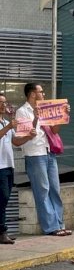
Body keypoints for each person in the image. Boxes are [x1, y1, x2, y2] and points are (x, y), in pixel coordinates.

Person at [13, 83, 71, 236]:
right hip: (35, 154)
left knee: (55, 189)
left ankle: (59, 223)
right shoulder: (22, 112)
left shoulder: (46, 109)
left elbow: (54, 131)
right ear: (32, 94)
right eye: (41, 92)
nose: (44, 94)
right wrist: (36, 118)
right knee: (43, 190)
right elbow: (25, 135)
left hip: (48, 152)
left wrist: (61, 115)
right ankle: (51, 227)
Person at [0, 94, 16, 244]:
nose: (3, 105)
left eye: (5, 102)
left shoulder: (5, 122)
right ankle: (2, 231)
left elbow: (15, 141)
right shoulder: (7, 125)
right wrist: (9, 126)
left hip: (9, 165)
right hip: (0, 167)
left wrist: (29, 136)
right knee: (2, 198)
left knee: (4, 200)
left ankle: (2, 231)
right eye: (0, 102)